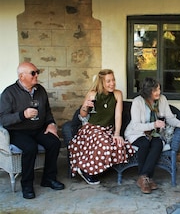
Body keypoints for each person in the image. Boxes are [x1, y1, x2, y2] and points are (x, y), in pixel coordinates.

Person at [0, 62, 65, 199]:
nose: (37, 75)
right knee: (30, 148)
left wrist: (51, 123)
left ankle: (48, 178)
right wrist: (23, 115)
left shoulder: (40, 90)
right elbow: (3, 120)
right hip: (18, 131)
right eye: (33, 73)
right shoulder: (9, 93)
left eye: (37, 72)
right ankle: (27, 185)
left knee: (54, 142)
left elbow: (47, 111)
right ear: (21, 76)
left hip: (38, 128)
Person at [124, 77, 180, 194]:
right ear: (147, 91)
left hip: (155, 133)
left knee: (158, 144)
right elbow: (136, 126)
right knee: (144, 144)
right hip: (137, 133)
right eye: (155, 90)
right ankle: (147, 178)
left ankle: (143, 177)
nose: (158, 92)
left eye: (159, 89)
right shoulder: (138, 102)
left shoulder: (162, 99)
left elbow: (169, 118)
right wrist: (153, 124)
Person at [68, 69, 134, 184]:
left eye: (113, 80)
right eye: (108, 81)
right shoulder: (92, 94)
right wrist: (85, 106)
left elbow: (118, 116)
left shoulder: (117, 94)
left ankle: (94, 169)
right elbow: (82, 115)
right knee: (104, 146)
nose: (112, 83)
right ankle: (85, 171)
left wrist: (117, 134)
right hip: (92, 129)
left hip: (107, 130)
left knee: (120, 145)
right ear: (101, 83)